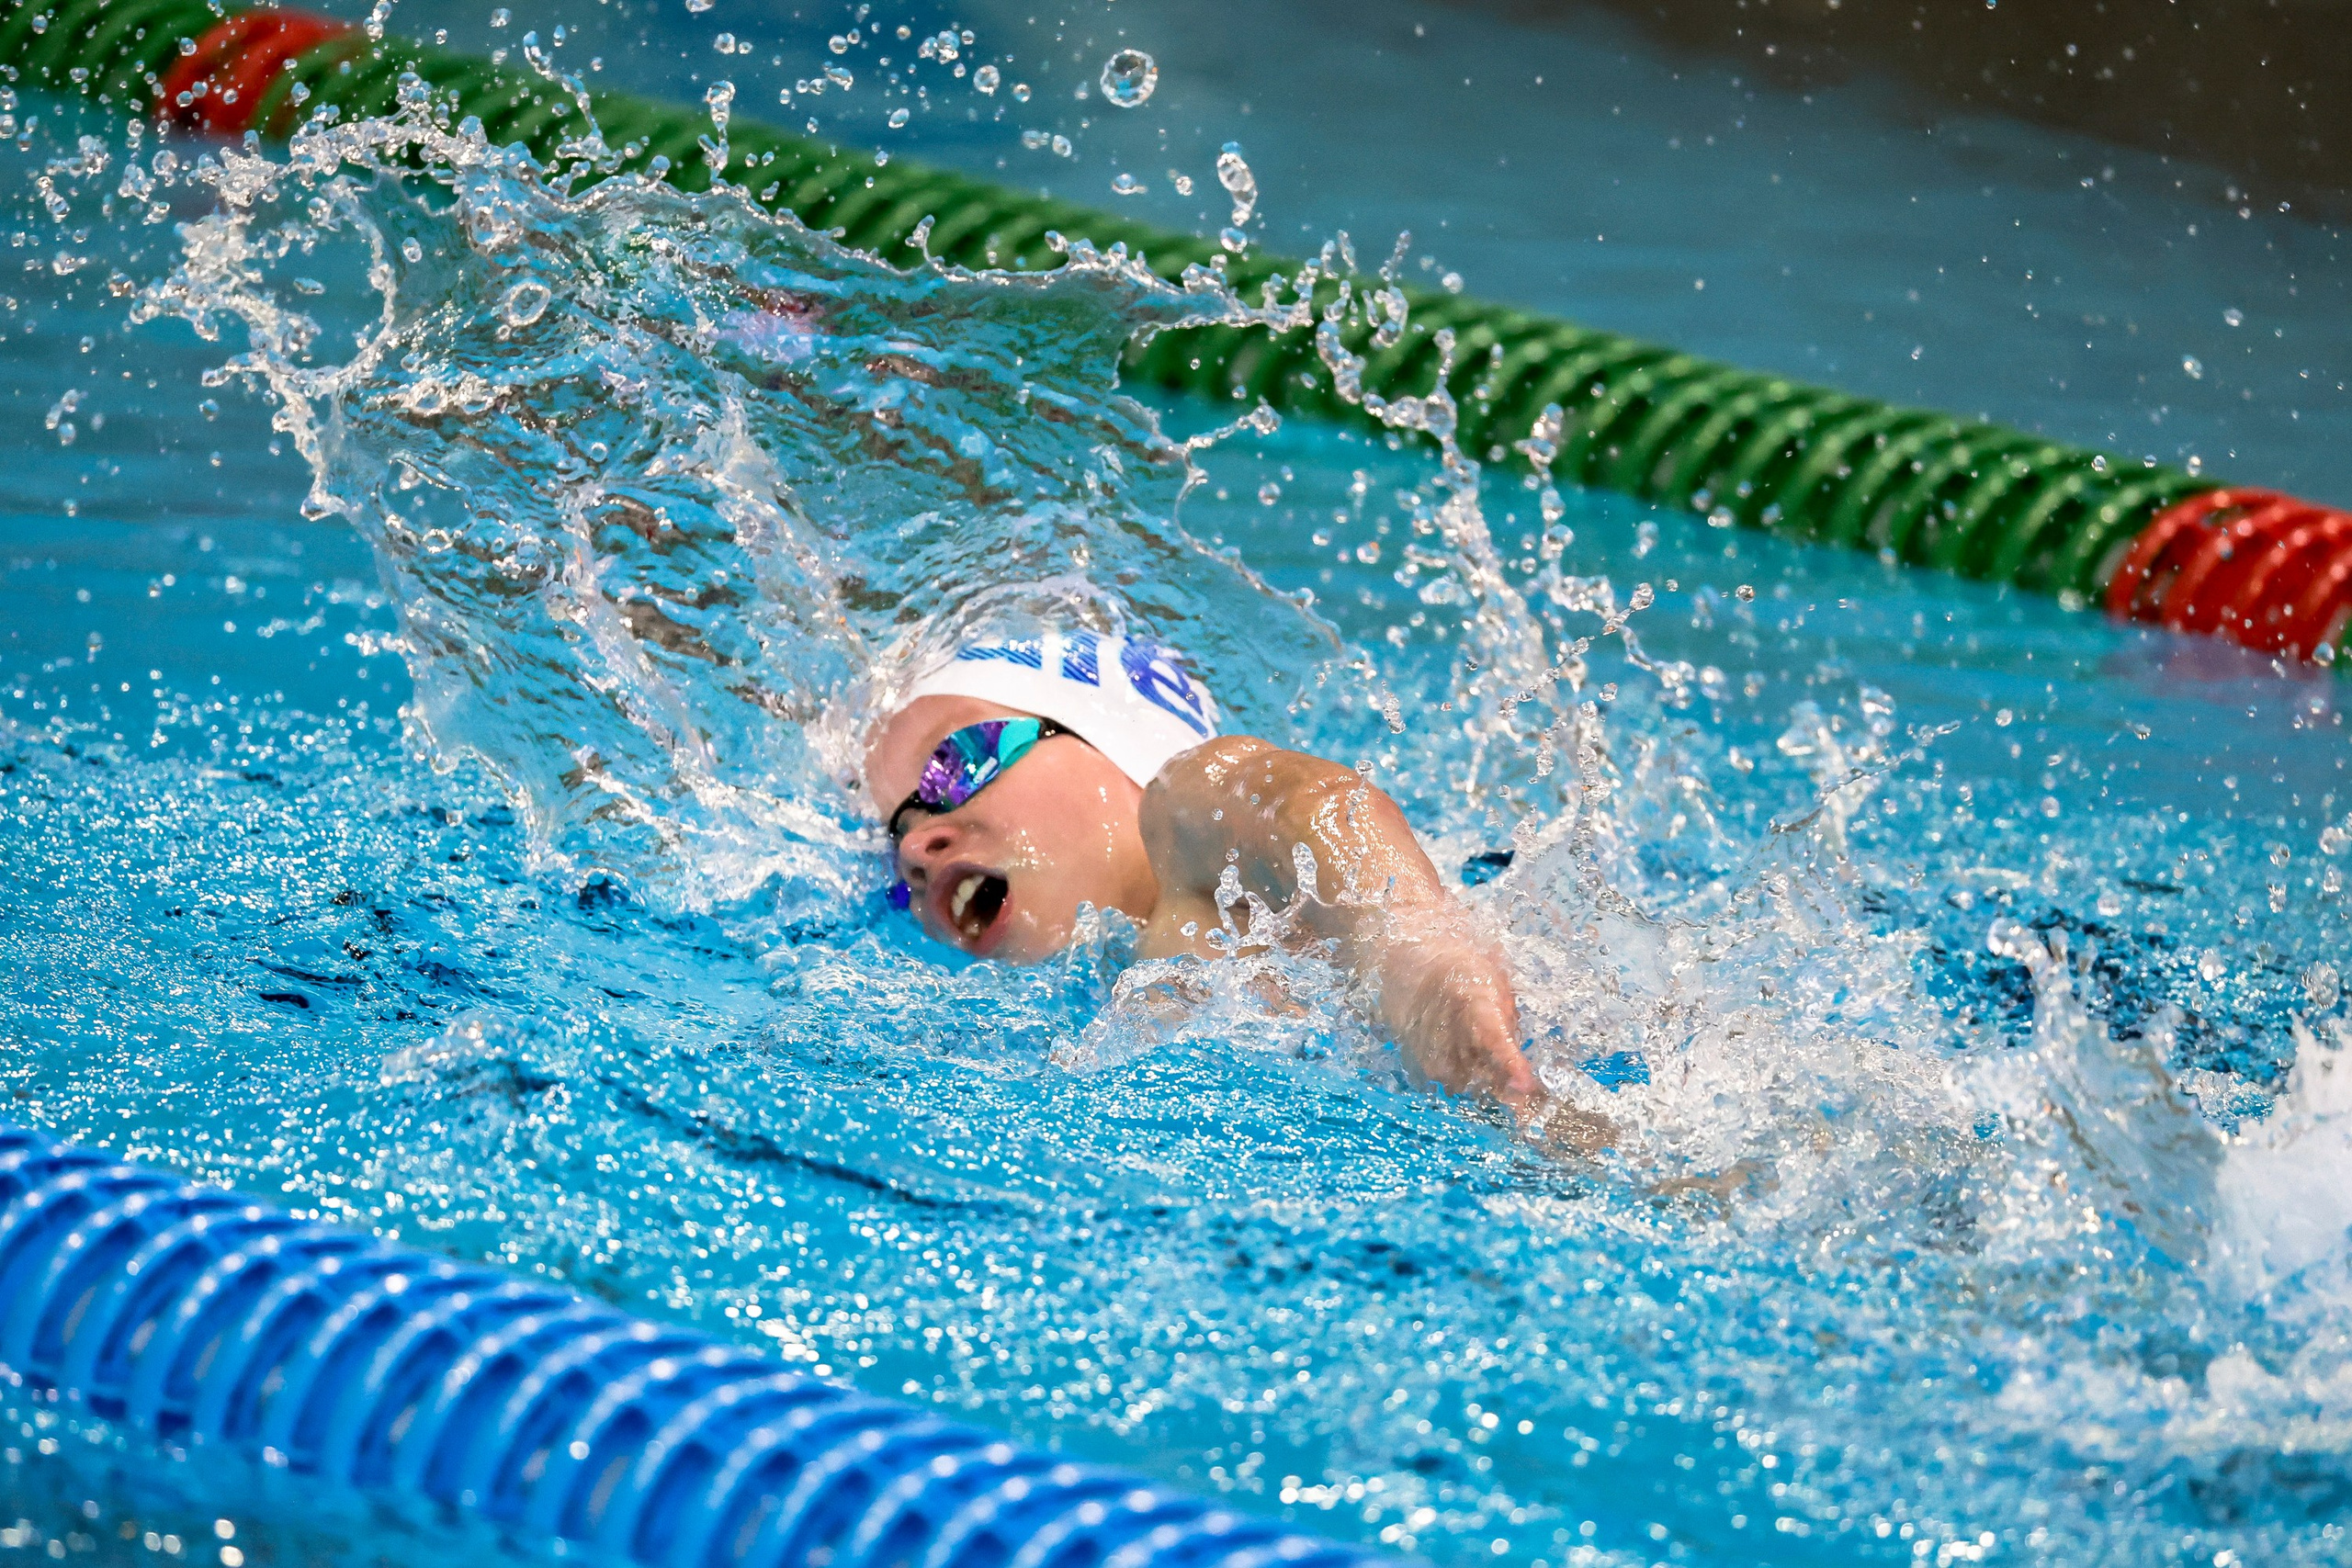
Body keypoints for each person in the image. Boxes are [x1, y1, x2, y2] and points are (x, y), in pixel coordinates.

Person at [865, 625, 1567, 1134]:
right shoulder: (1093, 1002)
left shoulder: (1185, 812)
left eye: (952, 767)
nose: (918, 852)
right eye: (896, 850)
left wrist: (1427, 969)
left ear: (1114, 737)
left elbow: (1306, 807)